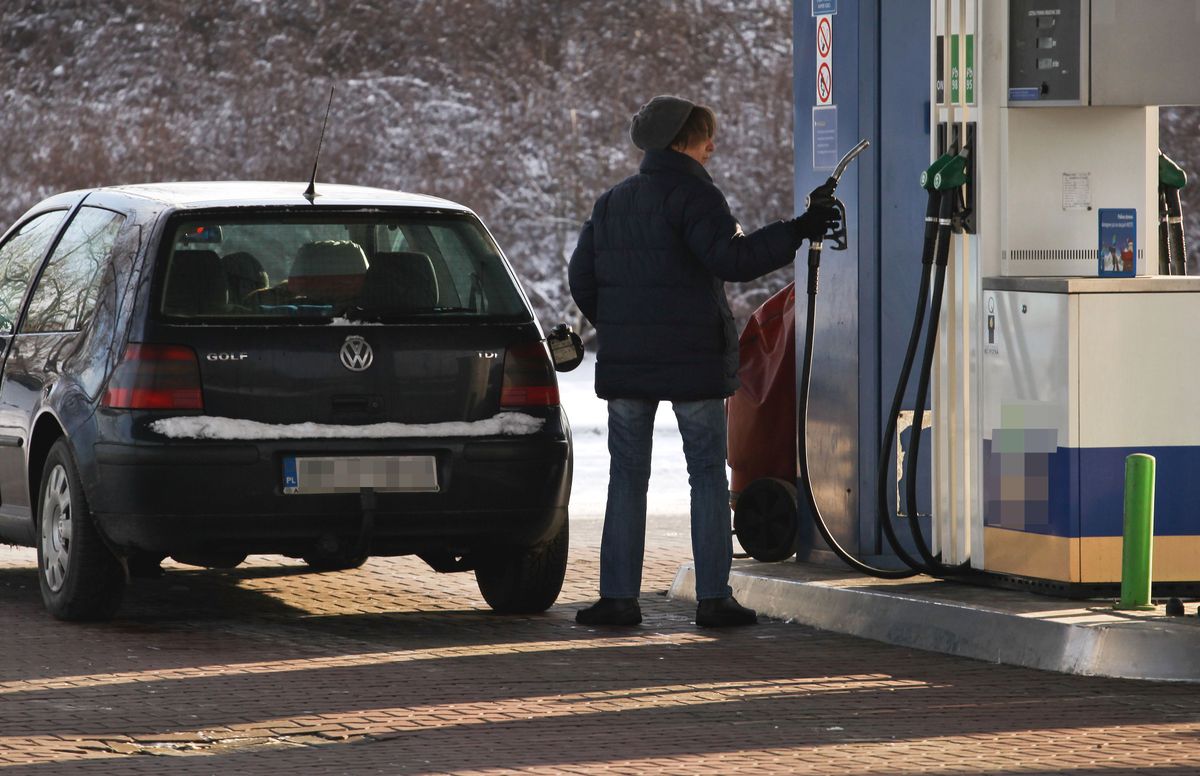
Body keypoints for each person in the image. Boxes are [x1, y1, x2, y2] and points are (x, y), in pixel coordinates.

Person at [568, 95, 838, 628]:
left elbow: (582, 279)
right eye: (704, 135)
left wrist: (622, 327)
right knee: (708, 476)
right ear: (680, 142)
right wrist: (801, 228)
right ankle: (714, 598)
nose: (712, 144)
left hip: (628, 365)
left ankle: (617, 598)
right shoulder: (694, 194)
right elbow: (733, 259)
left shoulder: (612, 202)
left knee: (626, 477)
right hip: (693, 360)